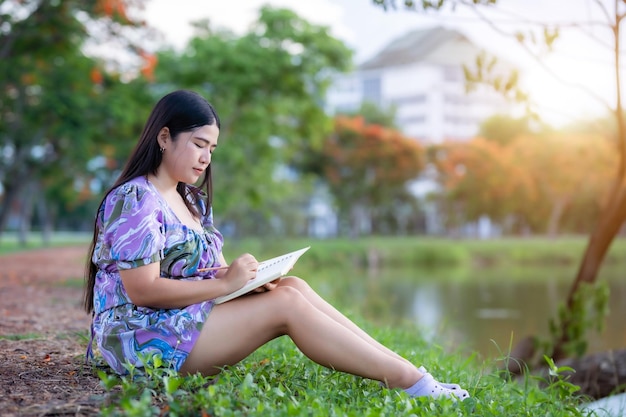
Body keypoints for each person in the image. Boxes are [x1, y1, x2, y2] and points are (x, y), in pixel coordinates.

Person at [83, 89, 469, 401]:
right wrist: (225, 284)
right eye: (199, 144)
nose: (206, 158)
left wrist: (248, 279)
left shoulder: (191, 200)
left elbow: (208, 271)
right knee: (286, 306)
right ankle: (413, 385)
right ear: (164, 137)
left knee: (291, 287)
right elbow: (143, 289)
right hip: (136, 337)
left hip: (178, 320)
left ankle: (413, 375)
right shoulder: (135, 199)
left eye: (212, 149)